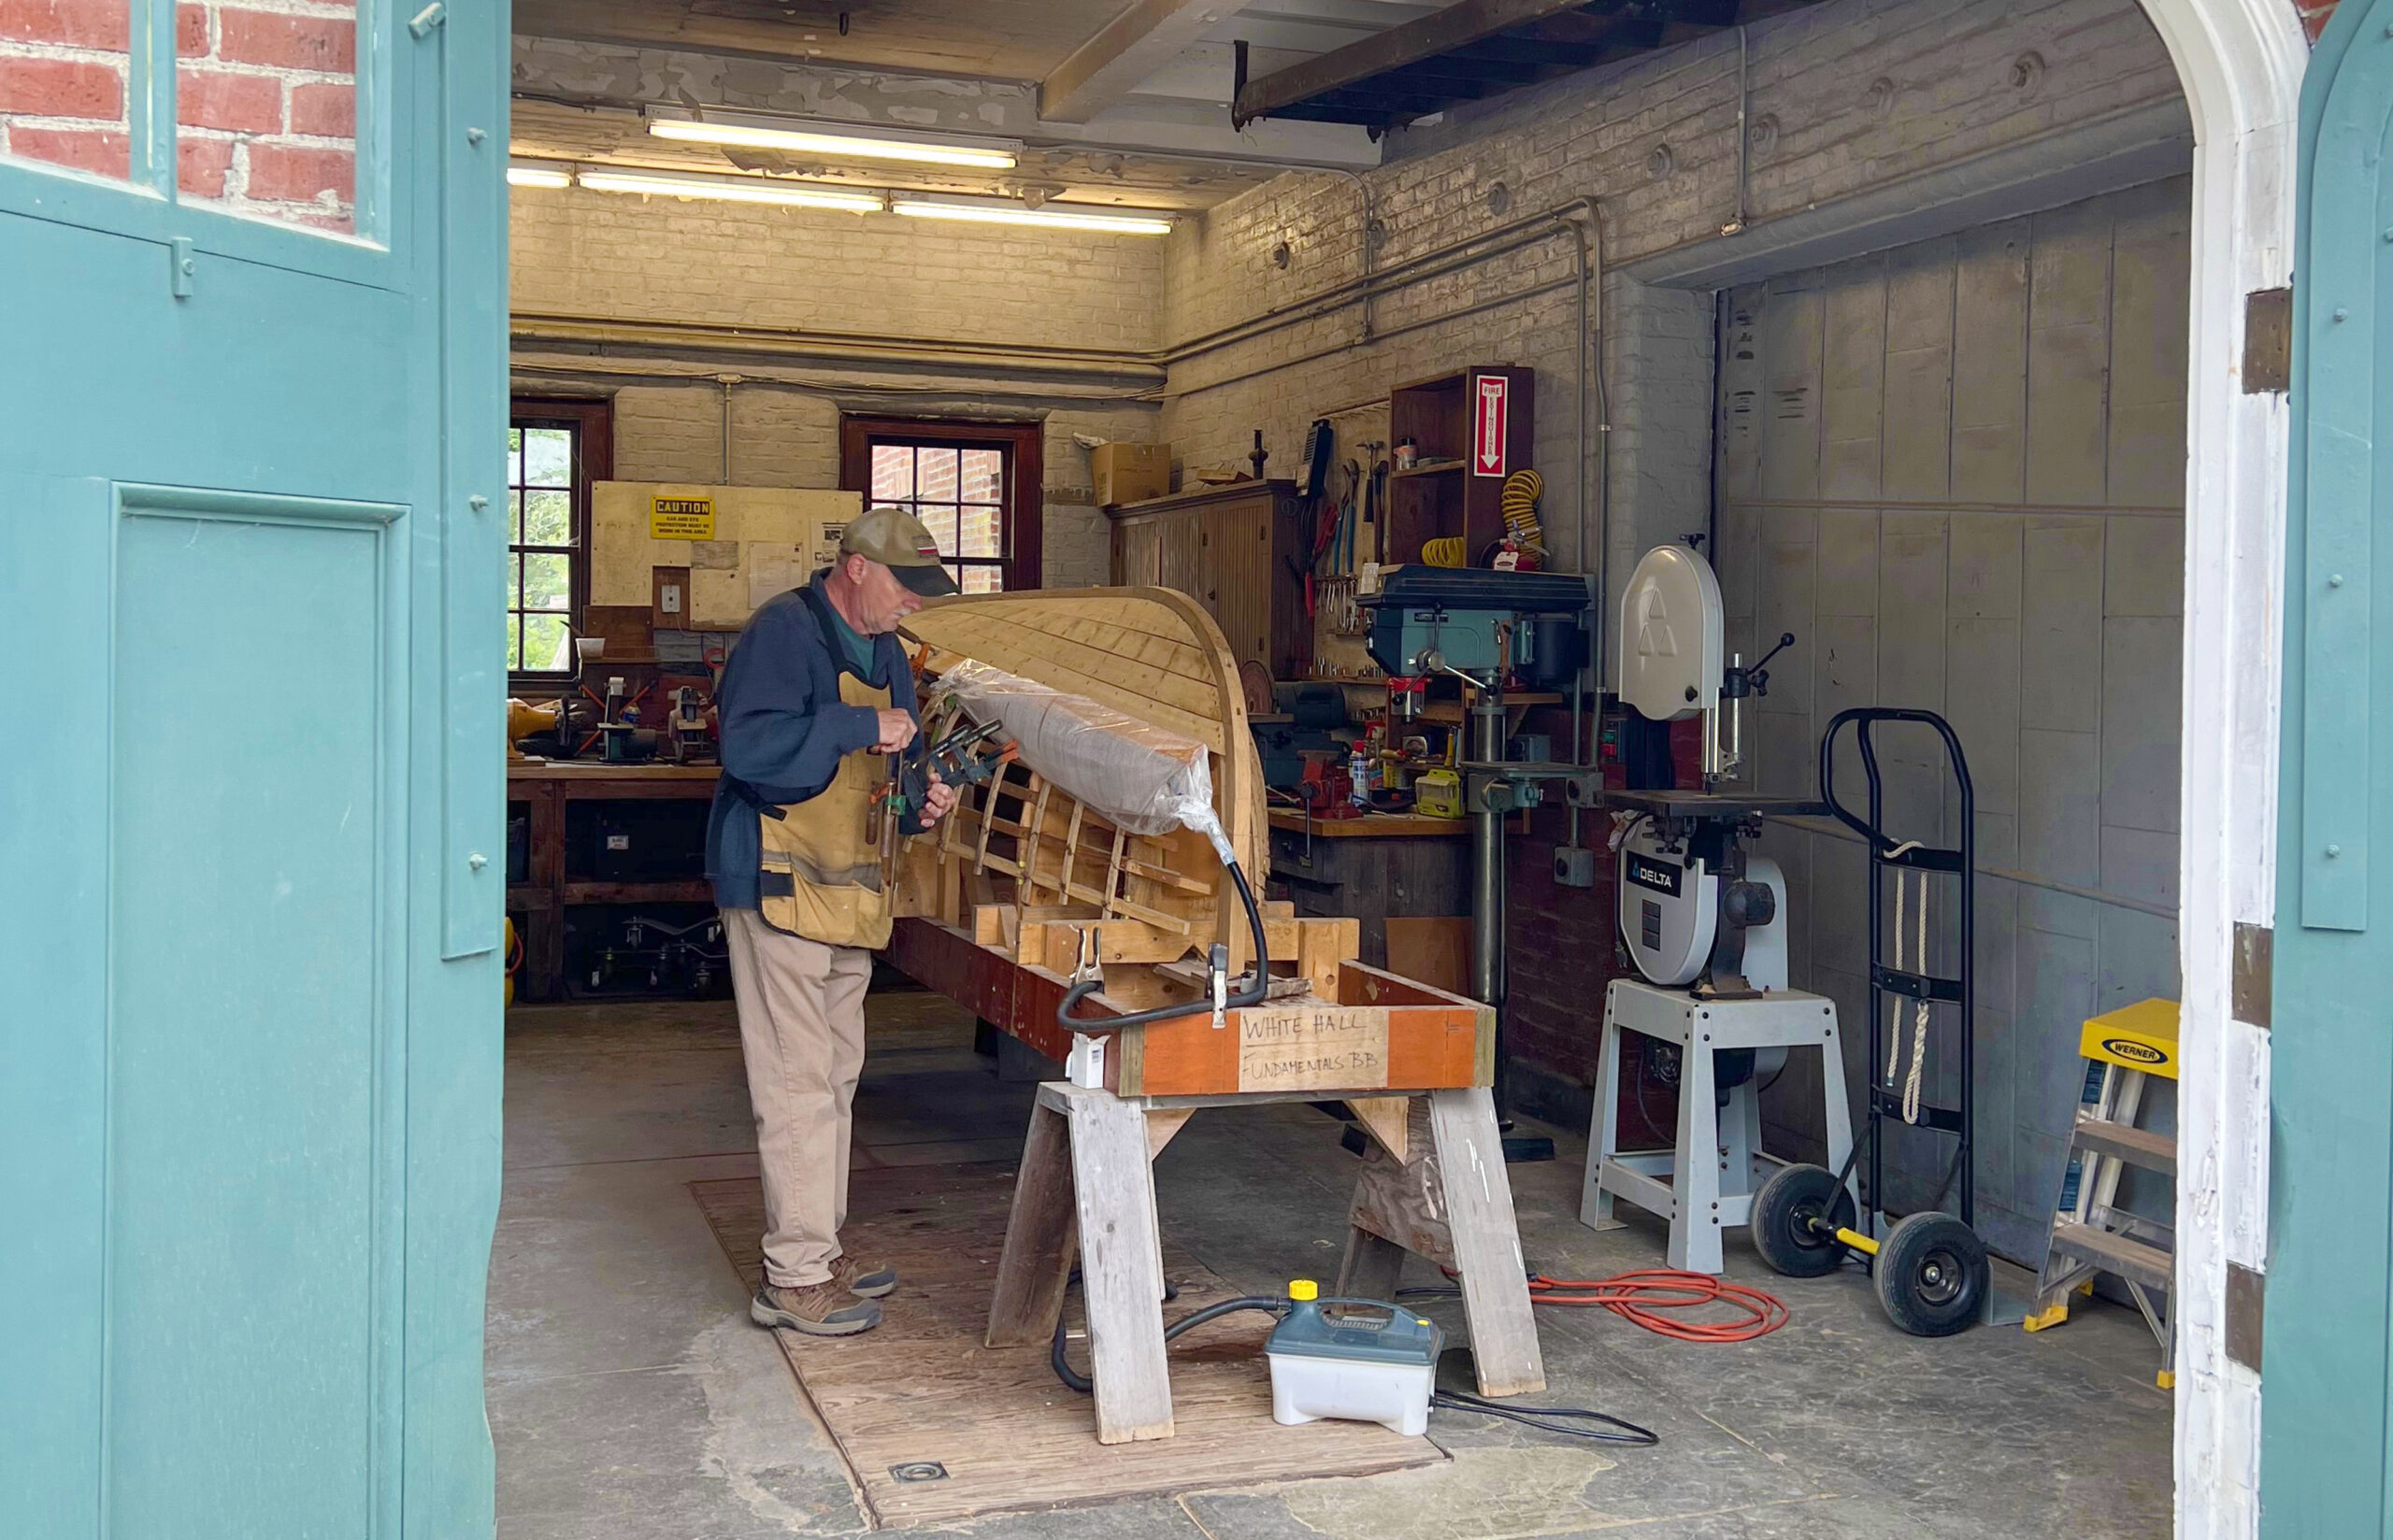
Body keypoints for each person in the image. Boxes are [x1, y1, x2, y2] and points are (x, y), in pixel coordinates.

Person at [707, 505, 961, 1337]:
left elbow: (901, 759)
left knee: (835, 1076)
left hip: (848, 895)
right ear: (856, 567)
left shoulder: (886, 650)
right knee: (795, 1084)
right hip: (778, 885)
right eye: (905, 586)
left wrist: (924, 799)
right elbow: (747, 750)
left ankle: (817, 1245)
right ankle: (793, 1277)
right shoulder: (783, 633)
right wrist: (860, 724)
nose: (914, 605)